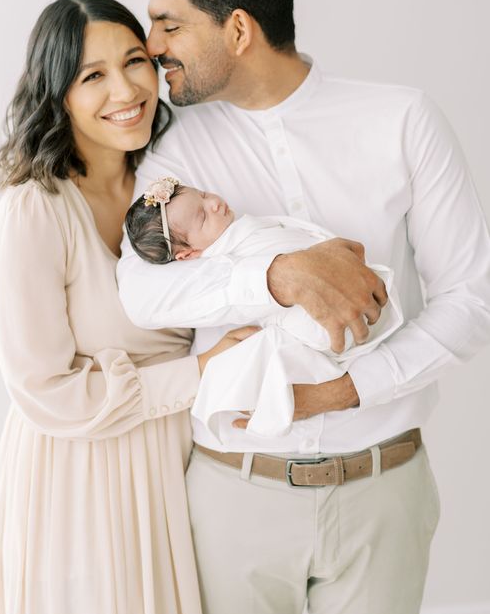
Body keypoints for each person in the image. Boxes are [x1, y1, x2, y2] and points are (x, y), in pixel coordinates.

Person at [117, 0, 490, 614]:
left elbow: (472, 299)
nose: (151, 46)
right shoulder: (175, 150)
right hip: (234, 498)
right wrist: (277, 275)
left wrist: (342, 391)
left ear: (237, 30)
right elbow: (140, 291)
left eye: (169, 25)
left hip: (384, 495)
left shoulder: (401, 119)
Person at [0, 0, 253, 614]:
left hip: (172, 471)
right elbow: (43, 387)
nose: (126, 90)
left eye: (135, 61)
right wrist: (199, 375)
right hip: (74, 479)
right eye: (93, 76)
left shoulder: (169, 190)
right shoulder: (35, 209)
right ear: (58, 94)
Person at [125, 178, 403, 442]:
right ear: (188, 255)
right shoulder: (219, 259)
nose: (214, 204)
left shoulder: (237, 230)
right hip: (314, 323)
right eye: (202, 217)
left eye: (204, 194)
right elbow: (139, 300)